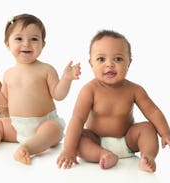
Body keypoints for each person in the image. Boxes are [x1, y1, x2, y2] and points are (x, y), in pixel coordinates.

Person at [0, 14, 81, 165]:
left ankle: (27, 148)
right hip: (16, 126)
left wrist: (66, 79)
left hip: (43, 124)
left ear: (43, 44)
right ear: (7, 44)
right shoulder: (8, 74)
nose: (26, 44)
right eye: (19, 39)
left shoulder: (46, 69)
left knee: (54, 129)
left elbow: (58, 95)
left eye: (34, 39)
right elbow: (4, 100)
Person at [56, 30, 170, 173]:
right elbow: (78, 119)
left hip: (127, 140)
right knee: (80, 138)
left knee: (147, 128)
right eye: (101, 59)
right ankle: (103, 155)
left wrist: (165, 132)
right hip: (96, 140)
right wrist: (68, 149)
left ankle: (147, 157)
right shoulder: (89, 90)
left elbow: (152, 111)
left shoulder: (135, 90)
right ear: (91, 63)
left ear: (129, 62)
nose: (109, 64)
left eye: (118, 59)